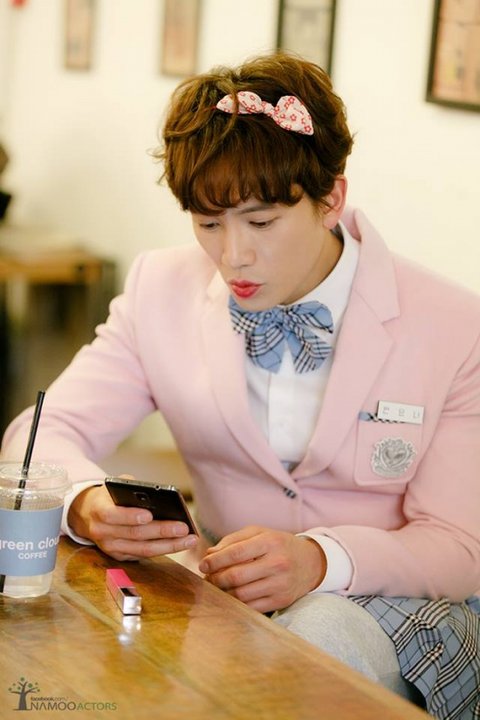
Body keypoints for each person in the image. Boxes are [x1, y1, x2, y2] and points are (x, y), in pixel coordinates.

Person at [2, 52, 479, 718]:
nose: (233, 257)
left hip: (398, 604)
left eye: (261, 223)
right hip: (222, 597)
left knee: (315, 639)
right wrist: (86, 502)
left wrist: (320, 560)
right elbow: (40, 431)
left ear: (331, 199)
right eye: (207, 224)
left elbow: (460, 546)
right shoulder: (160, 290)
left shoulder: (454, 325)